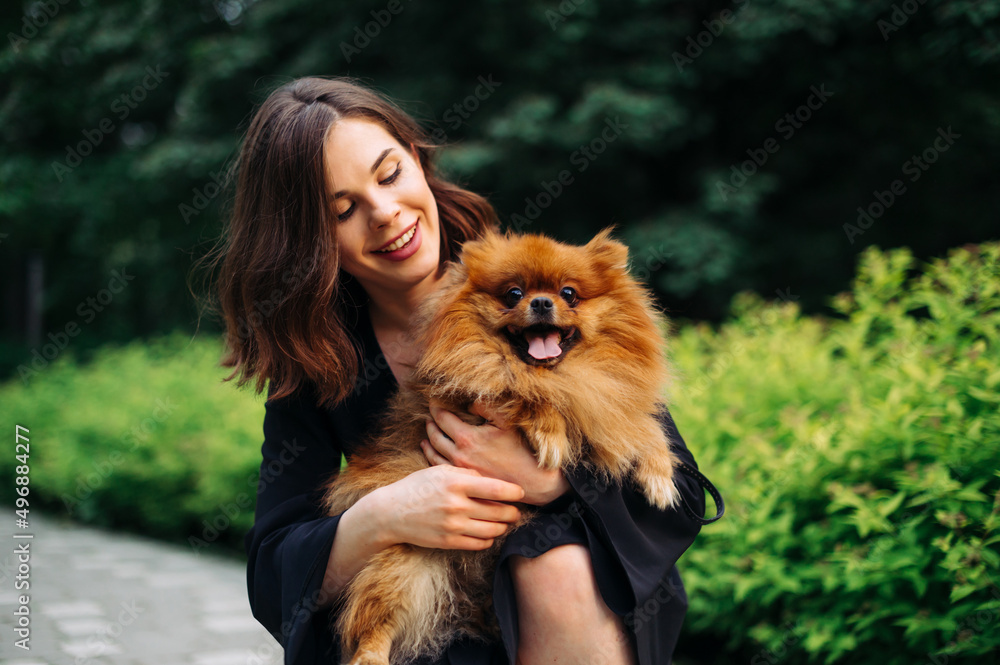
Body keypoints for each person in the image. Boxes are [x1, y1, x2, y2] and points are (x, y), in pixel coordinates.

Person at [209, 76, 713, 665]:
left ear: (418, 160)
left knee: (557, 564)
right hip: (425, 614)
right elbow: (273, 574)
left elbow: (676, 499)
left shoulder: (514, 268)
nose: (386, 213)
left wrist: (551, 482)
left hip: (577, 612)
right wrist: (384, 515)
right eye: (343, 210)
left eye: (390, 174)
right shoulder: (320, 357)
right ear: (312, 240)